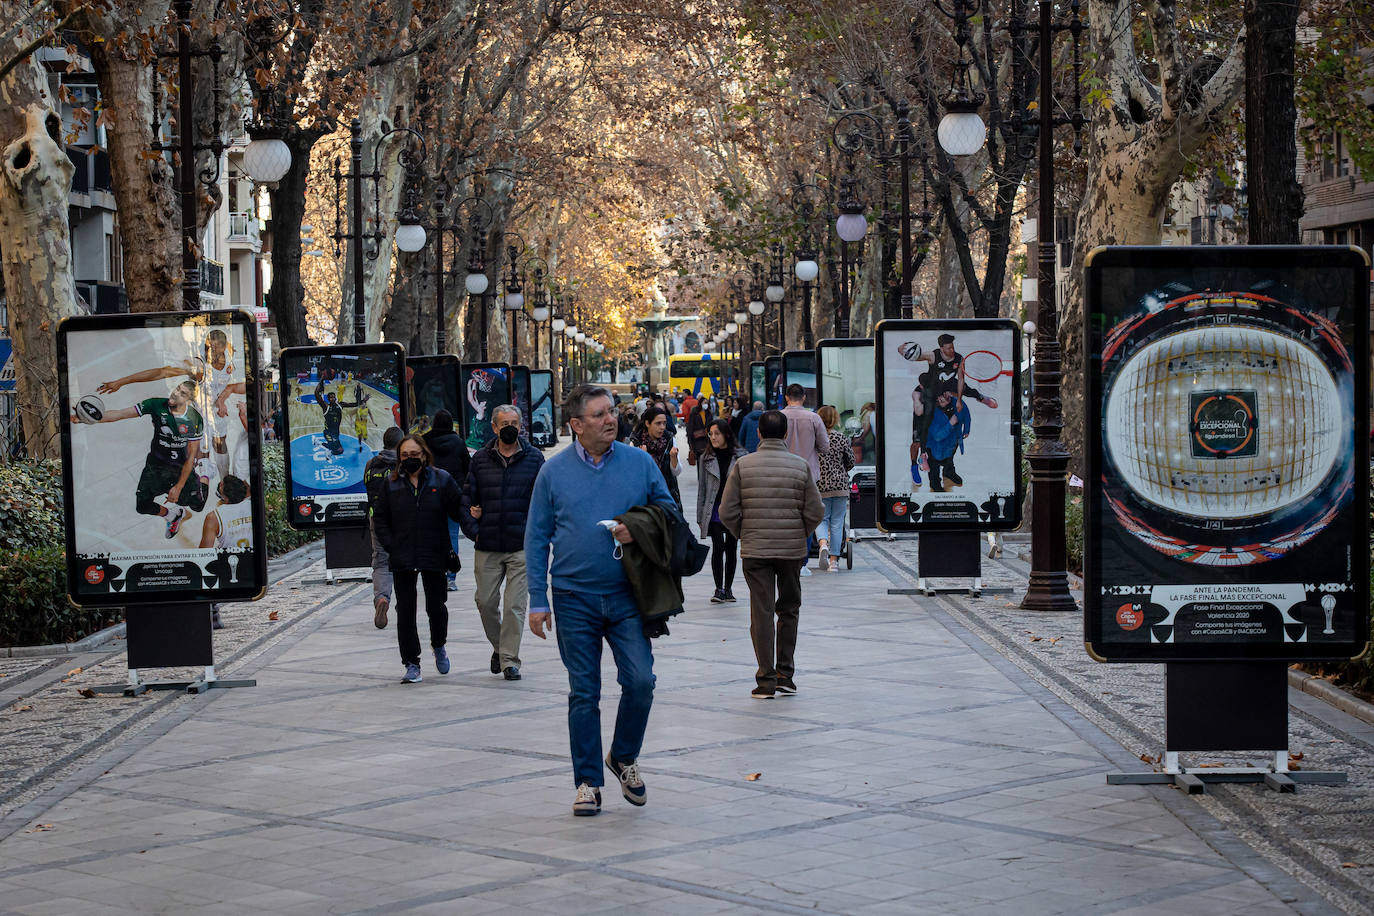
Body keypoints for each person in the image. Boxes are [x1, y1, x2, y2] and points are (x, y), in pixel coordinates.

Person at [525, 385, 678, 816]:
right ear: (576, 424)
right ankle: (588, 782)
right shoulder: (552, 473)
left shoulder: (640, 462)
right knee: (583, 693)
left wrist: (638, 527)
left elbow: (669, 511)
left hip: (629, 596)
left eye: (611, 411)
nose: (610, 419)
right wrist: (539, 600)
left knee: (641, 681)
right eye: (599, 414)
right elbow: (536, 538)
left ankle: (624, 755)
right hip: (574, 598)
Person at [718, 410, 823, 700]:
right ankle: (785, 674)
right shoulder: (800, 466)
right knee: (788, 608)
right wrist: (798, 532)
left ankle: (765, 680)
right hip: (790, 551)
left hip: (756, 550)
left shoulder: (743, 465)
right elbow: (816, 511)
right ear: (786, 434)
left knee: (761, 612)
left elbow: (726, 511)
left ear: (760, 434)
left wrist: (744, 532)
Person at [372, 434, 465, 683]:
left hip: (434, 552)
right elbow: (379, 518)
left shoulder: (441, 479)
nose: (410, 460)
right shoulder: (391, 484)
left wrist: (474, 517)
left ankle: (439, 644)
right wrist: (391, 544)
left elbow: (459, 507)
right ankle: (411, 662)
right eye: (405, 456)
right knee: (405, 611)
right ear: (399, 458)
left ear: (424, 455)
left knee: (436, 607)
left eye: (414, 455)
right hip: (403, 556)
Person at [460, 405, 544, 681]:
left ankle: (509, 660)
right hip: (488, 544)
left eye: (515, 423)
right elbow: (467, 499)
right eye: (504, 423)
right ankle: (500, 647)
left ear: (520, 426)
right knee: (485, 602)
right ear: (494, 428)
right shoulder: (481, 459)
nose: (510, 427)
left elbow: (543, 502)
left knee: (514, 606)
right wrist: (475, 531)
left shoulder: (534, 458)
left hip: (521, 545)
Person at [75, 378, 208, 539]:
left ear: (189, 400)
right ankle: (173, 516)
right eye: (177, 388)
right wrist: (89, 418)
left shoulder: (194, 419)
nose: (175, 393)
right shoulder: (155, 404)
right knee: (143, 506)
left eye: (182, 393)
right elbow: (120, 414)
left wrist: (179, 487)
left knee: (198, 506)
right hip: (156, 466)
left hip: (180, 468)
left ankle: (206, 471)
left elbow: (190, 457)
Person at [902, 334, 997, 489]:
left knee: (953, 432)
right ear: (941, 348)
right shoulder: (932, 359)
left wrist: (958, 400)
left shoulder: (958, 359)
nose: (951, 350)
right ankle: (917, 463)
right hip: (930, 396)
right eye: (948, 348)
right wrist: (903, 350)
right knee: (918, 438)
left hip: (944, 388)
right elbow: (917, 356)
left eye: (952, 346)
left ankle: (980, 397)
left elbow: (960, 380)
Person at [696, 419, 746, 603]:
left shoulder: (741, 456)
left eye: (716, 433)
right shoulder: (706, 458)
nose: (713, 437)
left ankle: (729, 588)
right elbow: (702, 487)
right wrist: (700, 515)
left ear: (726, 434)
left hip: (733, 508)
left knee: (732, 548)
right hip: (715, 508)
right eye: (710, 434)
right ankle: (719, 589)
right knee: (718, 547)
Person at [424, 409, 471, 591]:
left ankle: (437, 573)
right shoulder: (458, 442)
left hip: (430, 494)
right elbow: (467, 468)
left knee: (432, 535)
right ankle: (451, 577)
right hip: (453, 494)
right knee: (452, 535)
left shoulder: (425, 441)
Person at [363, 426, 403, 629]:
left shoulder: (371, 463)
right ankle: (404, 606)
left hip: (377, 519)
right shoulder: (403, 464)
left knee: (381, 562)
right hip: (402, 520)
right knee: (404, 562)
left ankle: (381, 598)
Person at [815, 405, 855, 571]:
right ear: (835, 419)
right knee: (837, 523)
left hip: (820, 484)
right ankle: (834, 562)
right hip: (840, 484)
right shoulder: (841, 438)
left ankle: (823, 543)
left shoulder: (815, 439)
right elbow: (850, 460)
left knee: (821, 518)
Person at [631, 406, 682, 511]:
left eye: (664, 423)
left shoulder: (670, 441)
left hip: (667, 496)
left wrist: (674, 458)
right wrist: (643, 459)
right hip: (645, 499)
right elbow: (632, 476)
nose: (662, 427)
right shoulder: (636, 443)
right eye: (658, 423)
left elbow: (676, 472)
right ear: (647, 423)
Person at [780, 383, 829, 483]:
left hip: (784, 471)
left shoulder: (778, 417)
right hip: (808, 473)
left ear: (786, 397)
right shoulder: (814, 418)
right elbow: (824, 447)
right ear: (804, 397)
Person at [684, 398, 712, 462]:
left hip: (707, 439)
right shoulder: (694, 413)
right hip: (697, 440)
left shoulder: (708, 413)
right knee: (700, 460)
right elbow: (690, 427)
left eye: (707, 403)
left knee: (707, 460)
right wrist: (690, 442)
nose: (706, 404)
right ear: (700, 403)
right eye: (704, 403)